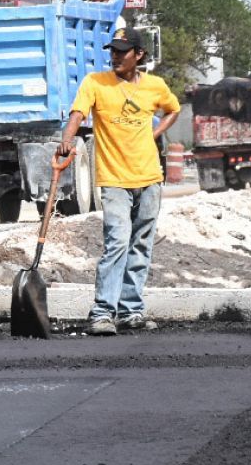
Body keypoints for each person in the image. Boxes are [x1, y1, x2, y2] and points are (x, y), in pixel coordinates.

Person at [58, 33, 182, 336]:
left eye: (122, 52)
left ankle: (131, 311)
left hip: (150, 178)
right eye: (113, 51)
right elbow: (78, 113)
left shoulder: (155, 86)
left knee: (141, 244)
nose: (115, 57)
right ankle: (102, 313)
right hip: (114, 180)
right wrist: (66, 140)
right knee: (117, 242)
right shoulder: (96, 83)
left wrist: (154, 134)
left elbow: (173, 109)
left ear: (138, 55)